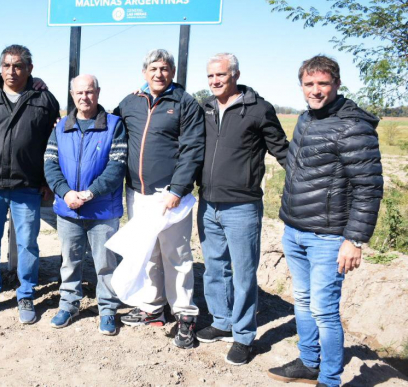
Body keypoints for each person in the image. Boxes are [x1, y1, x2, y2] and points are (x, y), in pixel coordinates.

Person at [267, 55, 383, 387]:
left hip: (329, 238)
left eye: (323, 83)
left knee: (325, 310)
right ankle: (308, 362)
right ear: (301, 85)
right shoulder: (306, 119)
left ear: (336, 84)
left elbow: (368, 187)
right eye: (309, 84)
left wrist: (355, 240)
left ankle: (330, 379)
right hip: (295, 230)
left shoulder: (353, 126)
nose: (315, 90)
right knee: (302, 301)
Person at [196, 53, 289, 365]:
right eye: (210, 77)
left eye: (220, 75)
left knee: (244, 274)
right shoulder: (205, 108)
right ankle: (222, 322)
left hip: (243, 206)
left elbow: (282, 150)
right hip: (208, 202)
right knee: (214, 268)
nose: (214, 81)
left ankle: (244, 336)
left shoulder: (258, 109)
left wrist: (310, 183)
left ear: (234, 74)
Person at [113, 48, 205, 349]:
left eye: (165, 68)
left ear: (173, 72)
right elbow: (106, 126)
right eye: (153, 68)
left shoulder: (185, 104)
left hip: (169, 197)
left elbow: (192, 148)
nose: (159, 74)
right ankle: (152, 308)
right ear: (144, 72)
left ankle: (185, 316)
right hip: (137, 193)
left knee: (176, 257)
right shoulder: (130, 102)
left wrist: (178, 189)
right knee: (148, 253)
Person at [0, 44, 60, 324]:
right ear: (0, 67)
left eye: (18, 65)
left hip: (27, 187)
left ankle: (26, 294)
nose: (12, 71)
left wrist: (46, 180)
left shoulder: (44, 99)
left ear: (30, 68)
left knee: (28, 245)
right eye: (6, 65)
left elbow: (53, 145)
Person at [44, 74, 127, 335]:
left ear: (98, 92)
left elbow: (116, 166)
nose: (84, 97)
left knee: (105, 263)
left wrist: (90, 193)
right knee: (70, 261)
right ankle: (68, 304)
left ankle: (108, 309)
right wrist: (66, 193)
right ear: (72, 95)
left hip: (102, 209)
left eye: (89, 92)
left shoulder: (114, 125)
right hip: (68, 208)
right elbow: (50, 164)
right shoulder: (61, 128)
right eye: (79, 93)